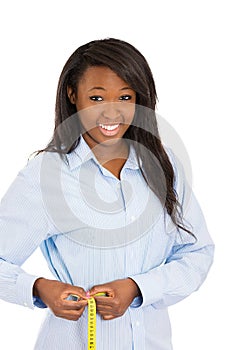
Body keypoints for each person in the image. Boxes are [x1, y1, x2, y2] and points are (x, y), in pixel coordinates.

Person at [0, 38, 214, 350]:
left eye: (125, 97)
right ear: (73, 95)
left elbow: (197, 254)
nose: (111, 113)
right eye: (97, 97)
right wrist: (38, 288)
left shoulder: (164, 166)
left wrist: (139, 288)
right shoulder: (45, 176)